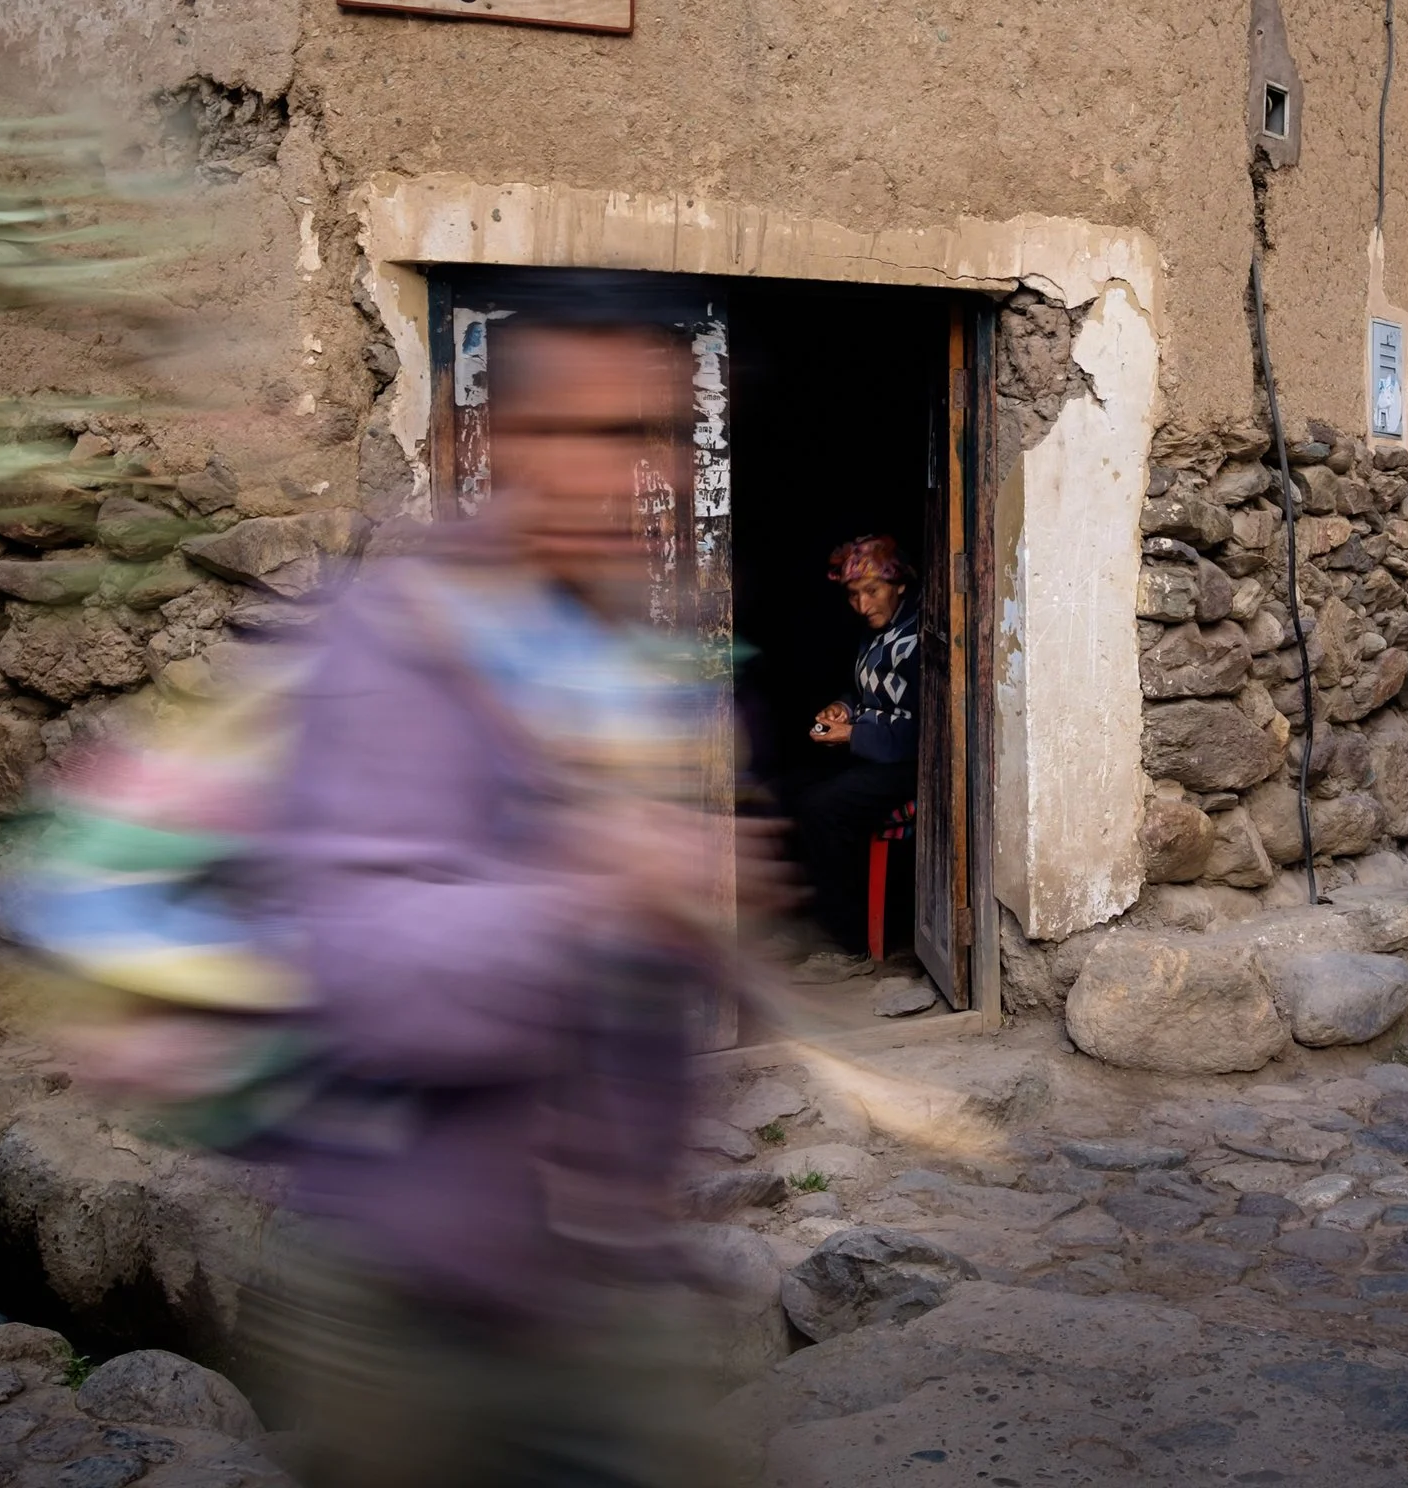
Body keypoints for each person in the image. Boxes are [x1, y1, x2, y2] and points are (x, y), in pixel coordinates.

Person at [245, 314, 785, 1488]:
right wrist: (592, 894)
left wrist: (710, 924)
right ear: (490, 441)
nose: (626, 467)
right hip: (413, 1303)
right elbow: (366, 978)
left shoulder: (634, 651)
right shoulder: (396, 648)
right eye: (582, 429)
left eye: (652, 430)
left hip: (599, 1283)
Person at [796, 534, 920, 952]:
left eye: (872, 591)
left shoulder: (920, 636)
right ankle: (824, 916)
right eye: (853, 595)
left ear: (899, 584)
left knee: (822, 808)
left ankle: (851, 943)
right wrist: (844, 708)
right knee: (796, 786)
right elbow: (870, 692)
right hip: (875, 753)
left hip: (907, 764)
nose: (863, 605)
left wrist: (853, 735)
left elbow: (924, 731)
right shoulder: (879, 631)